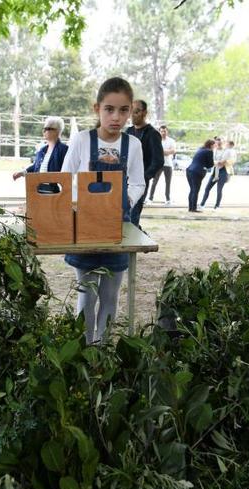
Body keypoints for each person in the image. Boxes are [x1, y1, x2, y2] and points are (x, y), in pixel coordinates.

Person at [61, 77, 145, 344]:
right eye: (109, 109)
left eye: (123, 110)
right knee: (87, 293)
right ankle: (84, 347)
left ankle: (102, 346)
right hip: (84, 228)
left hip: (117, 228)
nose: (116, 117)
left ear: (131, 110)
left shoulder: (133, 145)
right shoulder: (82, 140)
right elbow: (65, 176)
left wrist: (125, 201)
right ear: (96, 108)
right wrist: (75, 203)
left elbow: (138, 182)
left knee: (110, 295)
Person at [125, 99, 163, 227]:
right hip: (124, 180)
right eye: (131, 111)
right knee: (122, 215)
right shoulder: (128, 132)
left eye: (136, 111)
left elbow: (158, 161)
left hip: (139, 182)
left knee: (133, 216)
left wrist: (144, 177)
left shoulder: (152, 134)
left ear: (144, 113)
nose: (133, 115)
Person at [12, 116, 68, 181]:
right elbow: (35, 166)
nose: (44, 131)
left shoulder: (64, 150)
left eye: (47, 128)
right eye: (44, 129)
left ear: (57, 131)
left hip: (56, 189)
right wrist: (22, 173)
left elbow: (66, 172)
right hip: (39, 187)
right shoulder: (42, 150)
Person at [200, 140, 236, 209]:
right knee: (207, 188)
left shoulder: (228, 151)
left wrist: (224, 161)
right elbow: (212, 160)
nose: (218, 145)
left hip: (223, 171)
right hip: (215, 171)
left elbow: (233, 160)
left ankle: (217, 206)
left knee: (219, 190)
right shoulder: (214, 151)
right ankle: (202, 204)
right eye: (217, 143)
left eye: (220, 143)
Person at [148, 125, 175, 204]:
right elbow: (154, 151)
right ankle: (150, 199)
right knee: (154, 182)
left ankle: (168, 199)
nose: (163, 133)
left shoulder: (171, 140)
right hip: (158, 164)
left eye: (165, 131)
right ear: (159, 132)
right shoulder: (156, 140)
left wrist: (161, 151)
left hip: (168, 164)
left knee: (168, 182)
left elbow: (173, 151)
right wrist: (166, 151)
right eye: (162, 131)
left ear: (167, 132)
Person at [186, 139, 215, 212]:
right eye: (214, 145)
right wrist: (214, 163)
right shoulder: (209, 151)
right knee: (195, 190)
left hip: (189, 170)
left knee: (192, 190)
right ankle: (193, 208)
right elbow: (210, 165)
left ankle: (190, 207)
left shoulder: (200, 149)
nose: (215, 146)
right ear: (211, 145)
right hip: (197, 172)